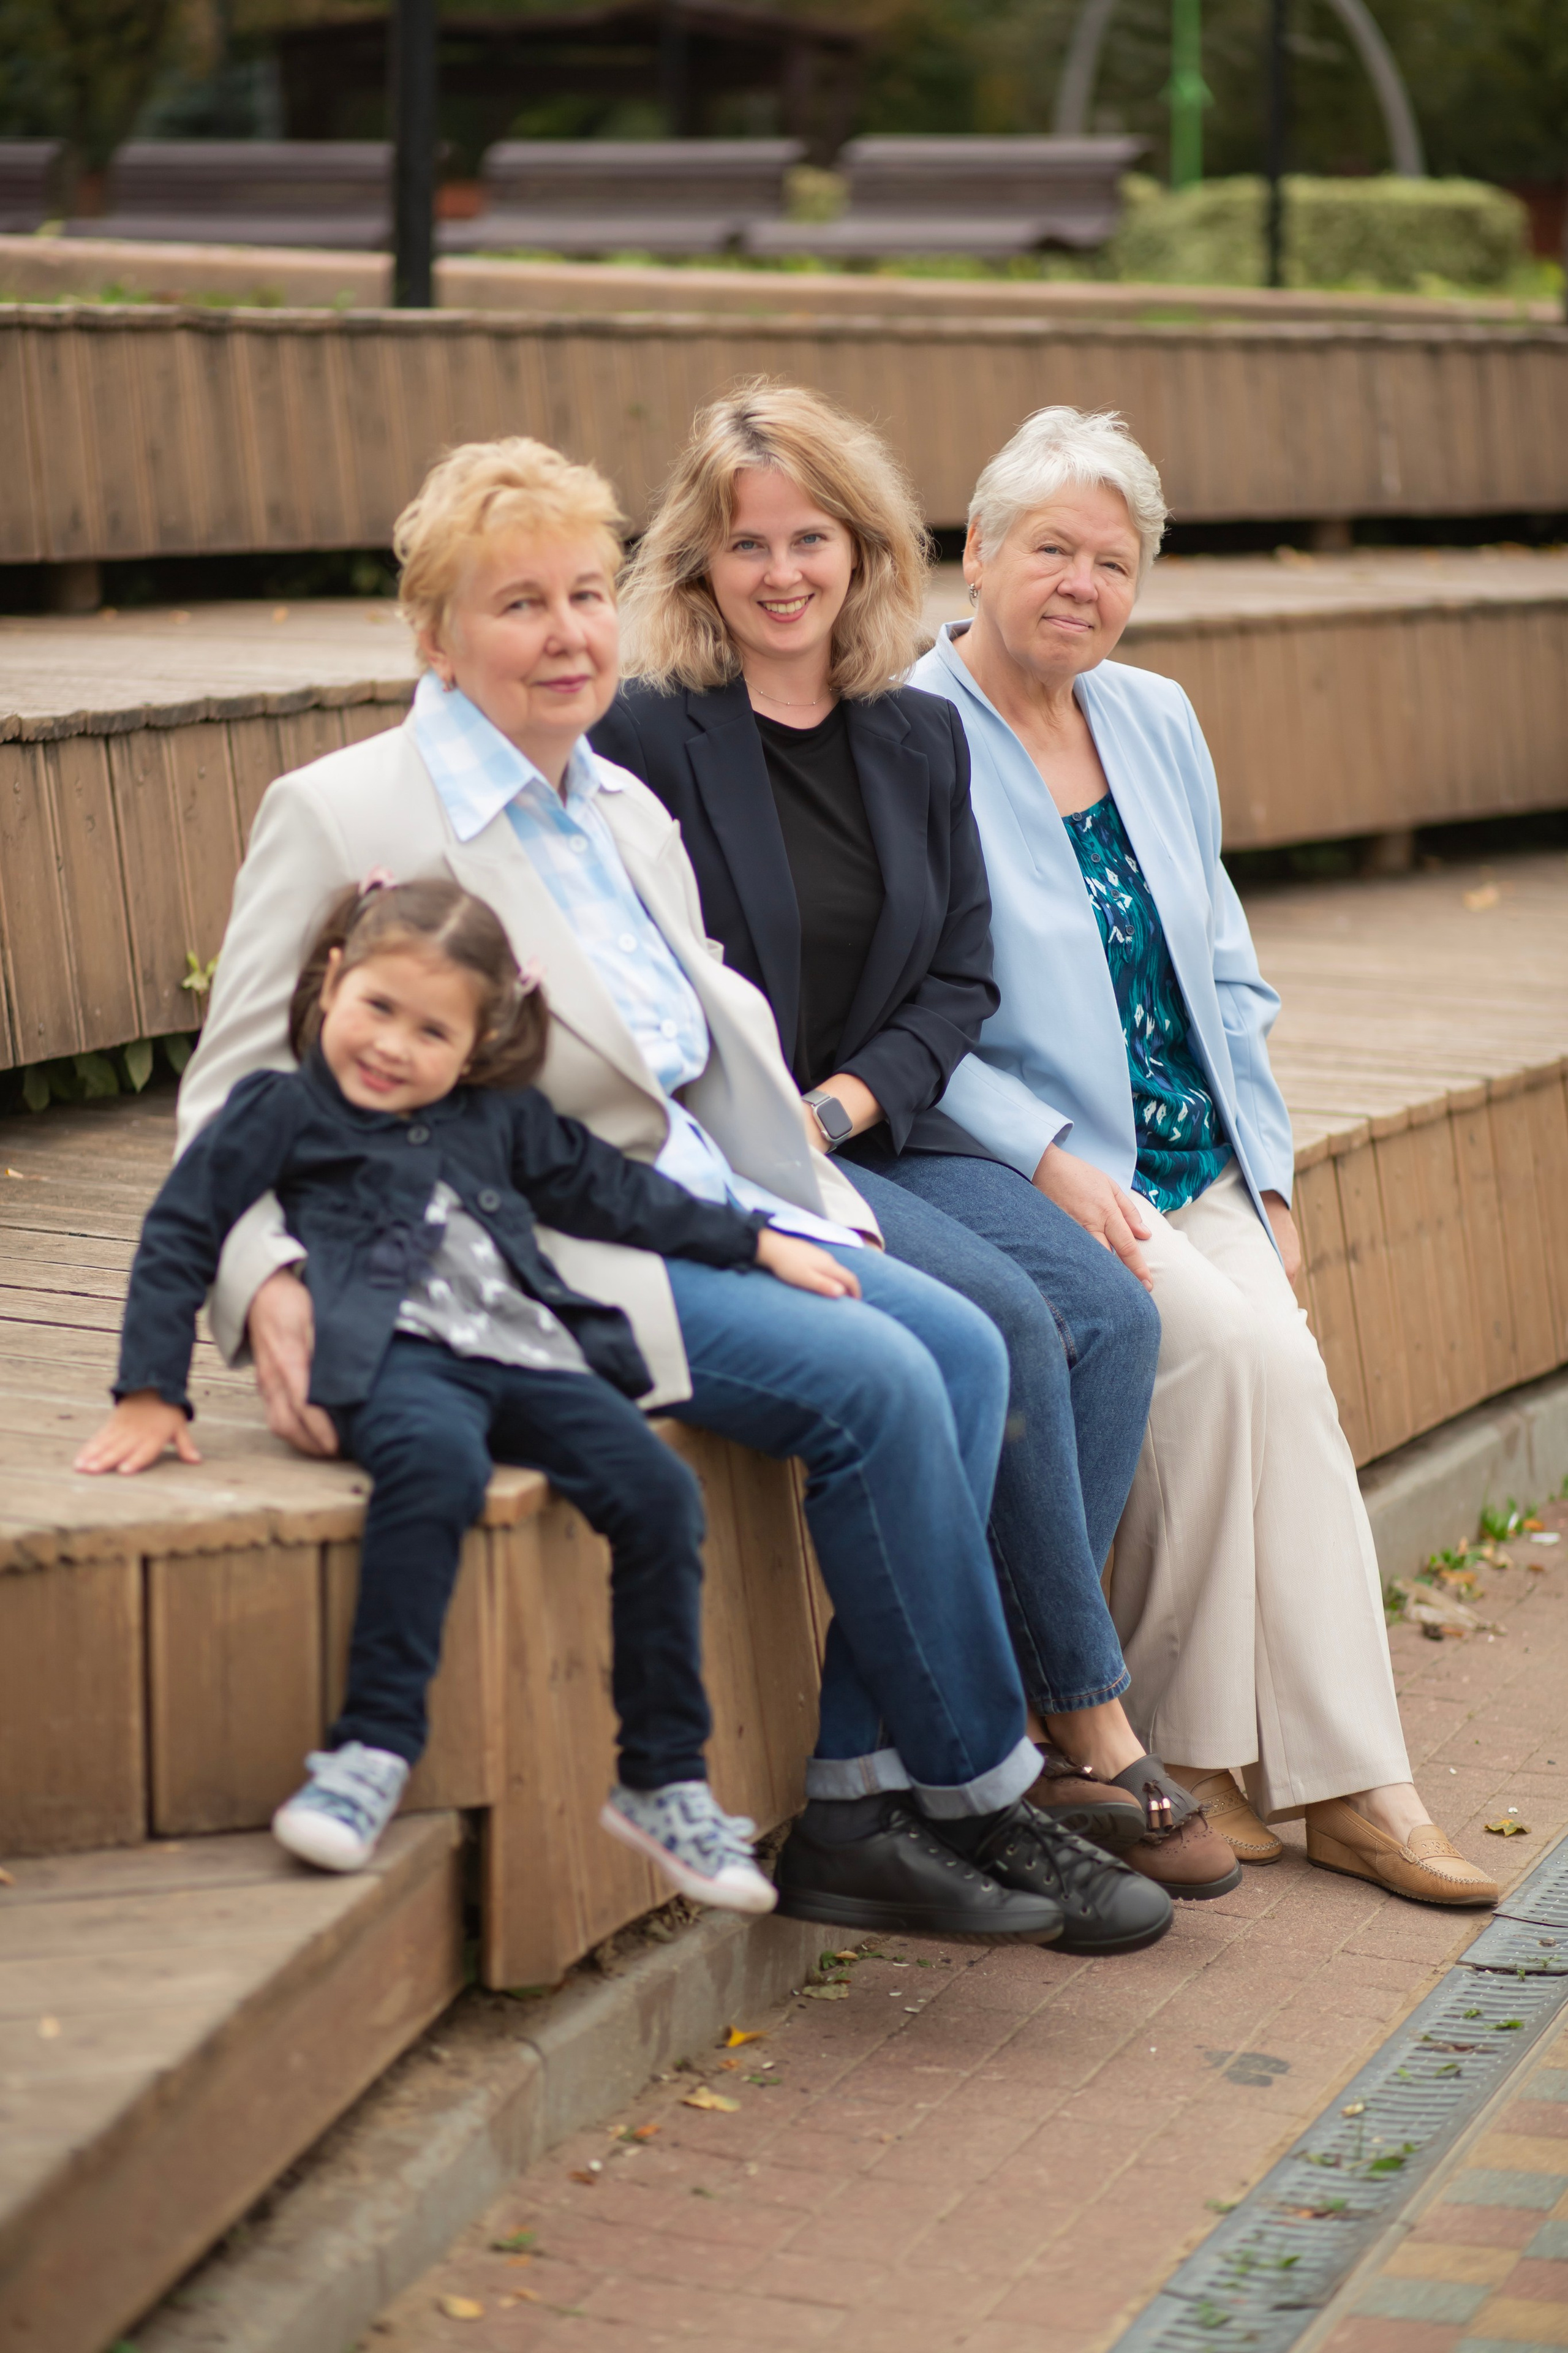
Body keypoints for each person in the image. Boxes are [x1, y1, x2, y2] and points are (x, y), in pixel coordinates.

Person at [164, 432, 1170, 1952]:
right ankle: (979, 1791)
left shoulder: (614, 807)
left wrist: (806, 1194)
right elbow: (232, 1090)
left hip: (709, 1199)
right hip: (536, 1250)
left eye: (582, 594)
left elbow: (703, 1054)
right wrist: (275, 1285)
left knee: (973, 1342)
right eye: (517, 605)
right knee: (889, 1382)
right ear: (434, 635)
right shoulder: (349, 812)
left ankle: (852, 1797)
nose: (565, 633)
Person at [596, 382, 1240, 1902]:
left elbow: (957, 976)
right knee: (1008, 1324)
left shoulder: (909, 732)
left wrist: (851, 1104)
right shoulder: (651, 736)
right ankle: (1032, 1743)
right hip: (743, 1152)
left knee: (1106, 1308)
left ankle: (1003, 1726)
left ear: (862, 546)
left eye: (807, 536)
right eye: (743, 544)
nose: (779, 574)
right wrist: (786, 1125)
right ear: (697, 562)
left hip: (875, 1127)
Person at [909, 404, 1496, 1908]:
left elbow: (1224, 971)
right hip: (1054, 1162)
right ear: (974, 550)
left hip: (1198, 1152)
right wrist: (1040, 1158)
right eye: (1050, 548)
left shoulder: (1153, 718)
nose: (1081, 586)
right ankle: (1348, 1788)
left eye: (1113, 563)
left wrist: (1273, 1173)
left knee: (1267, 1365)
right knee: (1241, 1357)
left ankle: (1237, 1765)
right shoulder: (908, 734)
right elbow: (908, 1010)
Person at [77, 875, 865, 1907]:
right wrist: (151, 1390)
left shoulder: (497, 1119)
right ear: (330, 983)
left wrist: (760, 1240)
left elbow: (618, 1192)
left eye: (432, 1030)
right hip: (393, 1361)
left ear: (480, 1042)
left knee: (657, 1490)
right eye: (377, 1008)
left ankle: (663, 1778)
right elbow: (183, 1226)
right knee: (436, 1469)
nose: (394, 1046)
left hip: (527, 1354)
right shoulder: (278, 1111)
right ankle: (369, 1752)